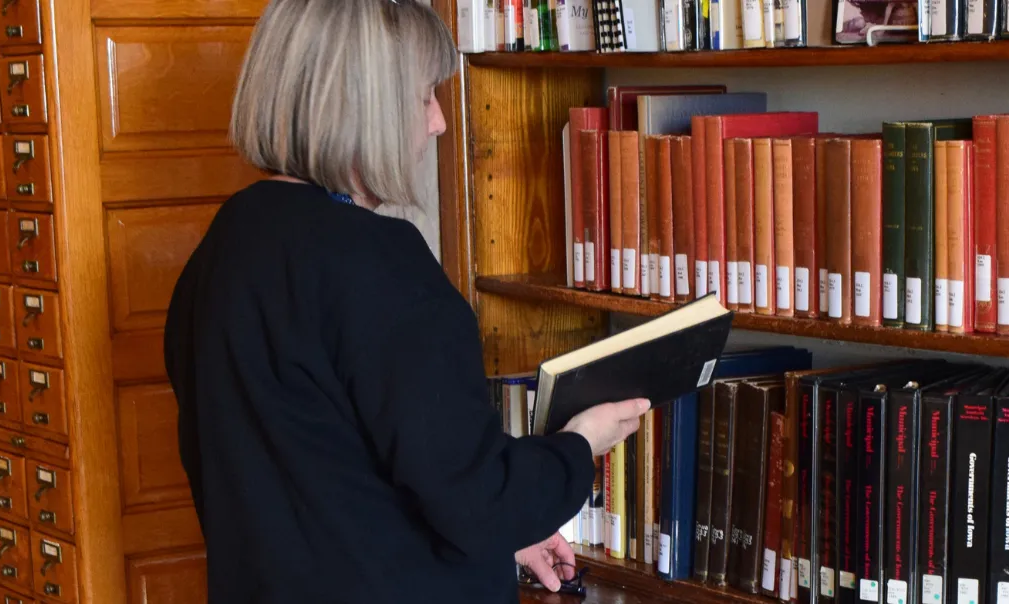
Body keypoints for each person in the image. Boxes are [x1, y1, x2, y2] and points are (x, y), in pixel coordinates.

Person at [161, 0, 650, 601]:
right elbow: (478, 502)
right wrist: (580, 447)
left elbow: (323, 477)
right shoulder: (380, 264)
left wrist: (510, 538)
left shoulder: (225, 242)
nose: (440, 122)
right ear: (363, 106)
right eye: (423, 97)